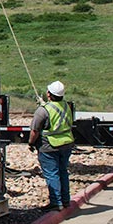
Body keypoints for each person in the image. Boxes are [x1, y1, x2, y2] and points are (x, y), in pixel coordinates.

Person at [29, 81, 75, 211]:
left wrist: (31, 143)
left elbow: (35, 131)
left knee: (52, 174)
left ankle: (56, 202)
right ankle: (65, 201)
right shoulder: (66, 106)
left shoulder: (43, 110)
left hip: (49, 146)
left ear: (49, 94)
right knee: (62, 171)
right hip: (66, 144)